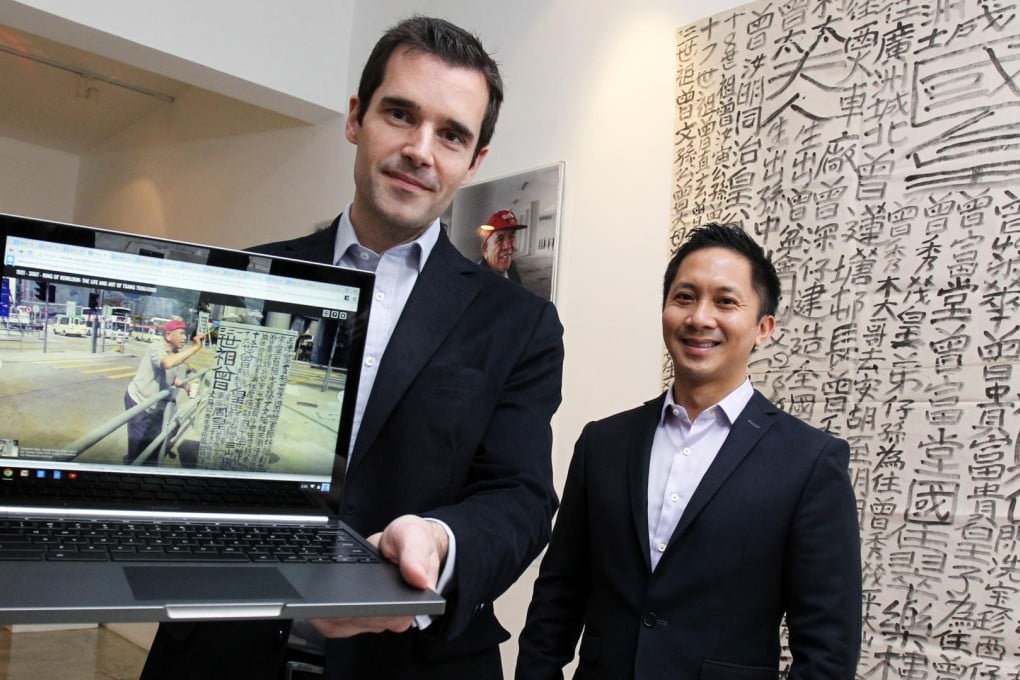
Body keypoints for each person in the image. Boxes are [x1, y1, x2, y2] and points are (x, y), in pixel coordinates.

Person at [140, 15, 564, 680]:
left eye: (451, 134)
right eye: (400, 114)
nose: (421, 149)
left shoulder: (519, 323)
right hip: (225, 646)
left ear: (475, 160)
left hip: (409, 659)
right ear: (355, 118)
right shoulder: (249, 278)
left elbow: (520, 496)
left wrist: (437, 542)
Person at [515, 223, 862, 679]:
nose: (700, 317)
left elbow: (828, 650)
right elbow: (558, 596)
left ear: (763, 328)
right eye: (684, 297)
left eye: (725, 301)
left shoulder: (810, 462)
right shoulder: (603, 443)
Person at [123, 319, 203, 465]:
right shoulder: (156, 347)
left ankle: (147, 464)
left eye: (185, 334)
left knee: (159, 436)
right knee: (138, 441)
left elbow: (172, 377)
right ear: (168, 335)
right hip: (139, 400)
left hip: (156, 403)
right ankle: (131, 468)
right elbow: (167, 363)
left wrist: (185, 386)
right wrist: (195, 348)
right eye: (181, 333)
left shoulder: (175, 352)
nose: (185, 337)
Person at [478, 208, 527, 282]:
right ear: (485, 248)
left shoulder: (512, 266)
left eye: (511, 237)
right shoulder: (477, 281)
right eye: (500, 239)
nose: (508, 246)